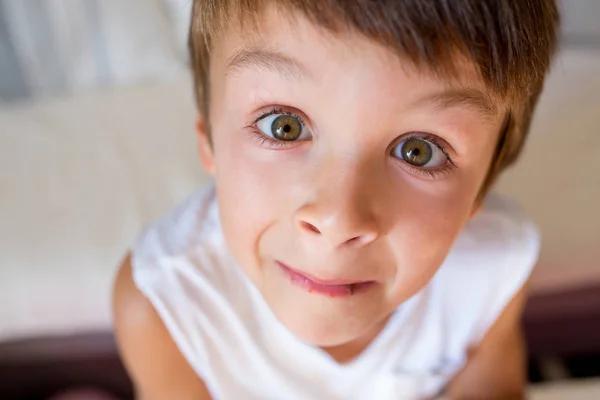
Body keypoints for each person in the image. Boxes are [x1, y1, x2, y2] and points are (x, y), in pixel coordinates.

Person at [113, 1, 559, 398]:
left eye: (418, 151)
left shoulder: (491, 269)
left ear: (482, 189)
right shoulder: (164, 301)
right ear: (208, 139)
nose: (339, 220)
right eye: (282, 125)